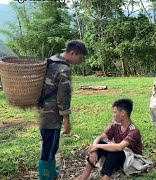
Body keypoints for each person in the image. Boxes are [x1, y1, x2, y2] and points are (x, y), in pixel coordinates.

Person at [38, 40, 87, 179]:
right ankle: (45, 176)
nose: (80, 61)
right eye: (80, 57)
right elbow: (63, 97)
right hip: (52, 114)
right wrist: (67, 120)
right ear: (72, 53)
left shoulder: (51, 60)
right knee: (50, 147)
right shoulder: (64, 69)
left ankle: (51, 172)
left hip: (42, 109)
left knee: (48, 142)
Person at [77, 99, 142, 180]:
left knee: (114, 150)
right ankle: (84, 176)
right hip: (118, 156)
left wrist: (97, 146)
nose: (113, 115)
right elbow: (100, 137)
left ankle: (106, 177)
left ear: (123, 113)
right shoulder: (116, 126)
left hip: (131, 161)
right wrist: (94, 149)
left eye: (115, 112)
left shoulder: (133, 130)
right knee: (104, 145)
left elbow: (119, 147)